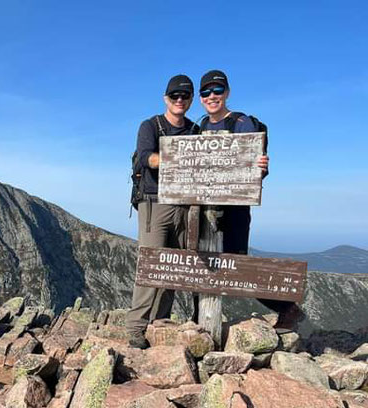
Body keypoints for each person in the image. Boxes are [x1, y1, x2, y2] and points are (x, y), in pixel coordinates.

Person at [197, 69, 305, 332]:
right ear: (201, 98)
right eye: (206, 92)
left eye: (217, 90)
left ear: (227, 93)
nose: (212, 96)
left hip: (234, 209)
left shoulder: (241, 122)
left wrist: (261, 167)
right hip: (204, 209)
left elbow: (256, 166)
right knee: (199, 264)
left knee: (238, 265)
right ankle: (196, 317)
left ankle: (287, 307)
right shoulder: (199, 126)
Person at [125, 75, 198, 347]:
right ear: (166, 98)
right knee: (150, 265)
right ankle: (135, 328)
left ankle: (159, 323)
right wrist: (177, 158)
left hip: (185, 205)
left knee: (174, 267)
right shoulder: (151, 125)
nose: (180, 100)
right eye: (175, 96)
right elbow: (146, 157)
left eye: (185, 96)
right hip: (154, 202)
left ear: (190, 100)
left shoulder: (194, 130)